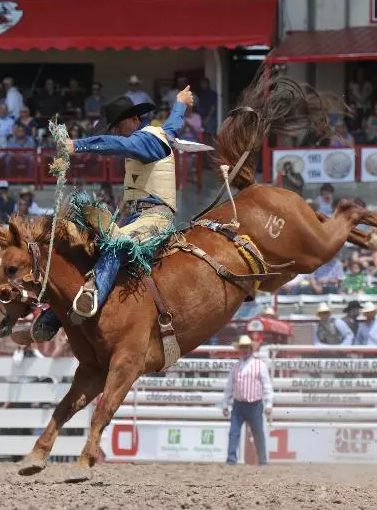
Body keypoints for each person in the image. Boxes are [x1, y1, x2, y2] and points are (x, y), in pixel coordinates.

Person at [31, 86, 194, 339]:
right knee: (92, 248)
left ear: (134, 119)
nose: (116, 131)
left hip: (155, 218)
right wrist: (180, 103)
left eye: (118, 125)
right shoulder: (159, 136)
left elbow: (115, 143)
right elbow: (173, 125)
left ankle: (89, 296)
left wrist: (76, 145)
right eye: (114, 128)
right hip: (139, 216)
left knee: (117, 244)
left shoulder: (145, 140)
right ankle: (56, 313)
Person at [221, 335, 272, 466]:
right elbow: (229, 386)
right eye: (242, 348)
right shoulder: (235, 366)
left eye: (246, 348)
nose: (244, 350)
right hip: (238, 404)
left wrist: (269, 404)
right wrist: (225, 404)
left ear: (251, 349)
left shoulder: (260, 365)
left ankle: (263, 460)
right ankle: (231, 460)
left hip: (254, 404)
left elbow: (267, 386)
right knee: (234, 432)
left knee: (258, 433)